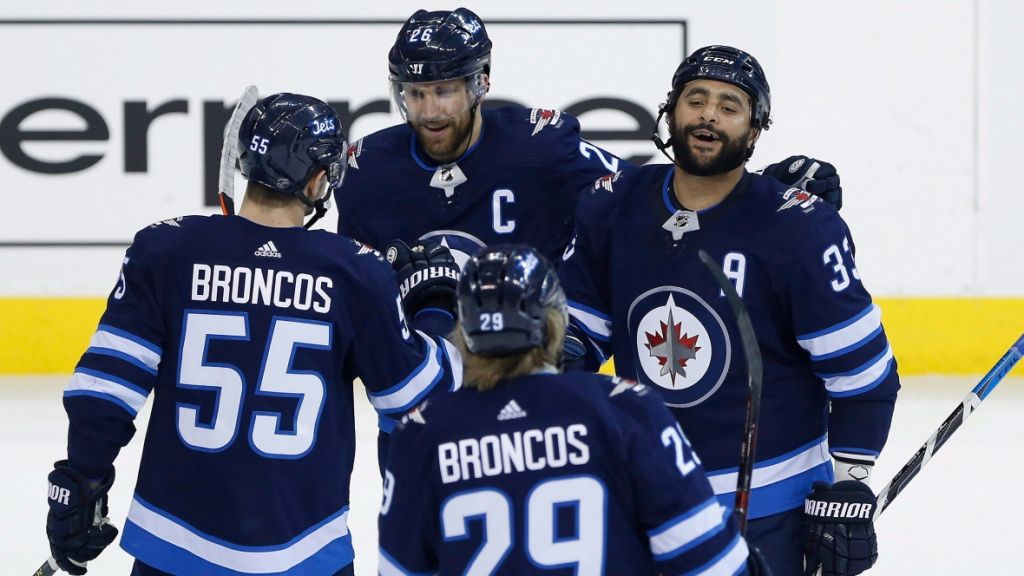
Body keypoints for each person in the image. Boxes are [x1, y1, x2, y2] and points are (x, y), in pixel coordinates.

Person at [43, 93, 459, 576]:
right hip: (306, 554)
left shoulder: (166, 251)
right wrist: (432, 308)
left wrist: (82, 482)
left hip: (172, 548)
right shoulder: (355, 273)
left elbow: (105, 391)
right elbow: (416, 399)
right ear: (319, 178)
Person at [558, 46, 900, 576]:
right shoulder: (614, 204)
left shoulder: (796, 228)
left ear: (756, 129)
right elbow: (582, 331)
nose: (708, 115)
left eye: (729, 105)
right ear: (671, 112)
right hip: (646, 497)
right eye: (695, 100)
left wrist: (849, 489)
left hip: (771, 513)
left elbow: (862, 375)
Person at [337, 8, 842, 271]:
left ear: (481, 82)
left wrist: (758, 192)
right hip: (419, 396)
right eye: (416, 94)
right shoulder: (365, 170)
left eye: (444, 91)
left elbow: (646, 193)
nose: (429, 111)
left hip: (532, 385)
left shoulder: (540, 145)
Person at [378, 245, 769, 575]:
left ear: (463, 333)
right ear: (554, 322)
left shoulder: (420, 433)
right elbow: (715, 565)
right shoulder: (626, 410)